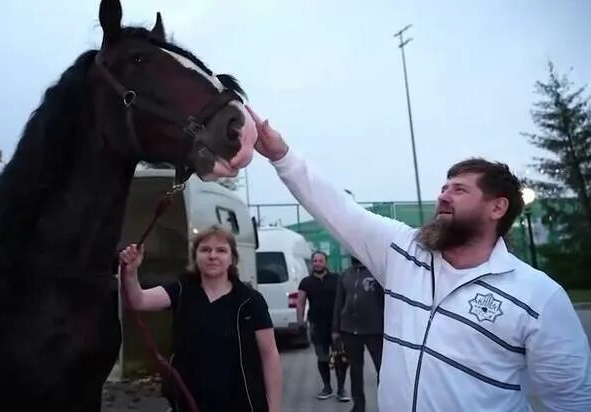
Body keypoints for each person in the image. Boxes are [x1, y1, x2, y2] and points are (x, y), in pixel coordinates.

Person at [244, 106, 591, 411]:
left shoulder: (538, 297)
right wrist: (281, 156)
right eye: (444, 187)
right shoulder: (402, 251)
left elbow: (573, 399)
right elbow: (338, 208)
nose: (443, 196)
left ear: (497, 207)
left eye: (459, 189)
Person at [119, 225, 282, 412]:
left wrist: (274, 408)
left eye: (221, 250)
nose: (212, 256)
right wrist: (130, 272)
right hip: (190, 401)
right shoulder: (181, 290)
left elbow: (269, 355)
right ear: (195, 256)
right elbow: (137, 300)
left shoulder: (250, 300)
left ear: (232, 259)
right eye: (205, 250)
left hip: (242, 401)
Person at [296, 251, 350, 402]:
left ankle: (341, 389)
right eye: (315, 261)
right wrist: (300, 324)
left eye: (320, 261)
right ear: (312, 263)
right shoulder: (306, 282)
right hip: (317, 326)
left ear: (326, 262)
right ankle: (327, 387)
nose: (317, 263)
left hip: (336, 326)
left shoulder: (337, 279)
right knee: (322, 358)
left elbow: (346, 300)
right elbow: (300, 303)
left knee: (341, 358)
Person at [332, 255, 384, 412]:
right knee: (355, 371)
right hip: (350, 330)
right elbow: (338, 303)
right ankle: (358, 406)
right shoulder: (345, 274)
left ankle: (387, 404)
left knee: (382, 369)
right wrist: (335, 329)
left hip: (375, 330)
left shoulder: (377, 273)